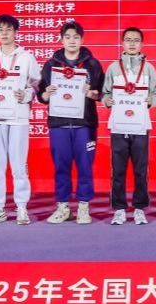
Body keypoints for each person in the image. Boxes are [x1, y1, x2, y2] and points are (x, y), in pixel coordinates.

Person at [0, 14, 42, 225]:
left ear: (16, 32)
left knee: (19, 165)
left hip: (18, 117)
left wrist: (27, 94)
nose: (4, 34)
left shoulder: (26, 58)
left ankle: (21, 207)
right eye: (0, 30)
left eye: (8, 29)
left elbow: (37, 85)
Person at [38, 21, 105, 225]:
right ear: (62, 40)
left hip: (85, 124)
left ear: (82, 39)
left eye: (76, 37)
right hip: (59, 123)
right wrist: (46, 94)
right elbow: (42, 95)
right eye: (67, 37)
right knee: (61, 167)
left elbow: (102, 93)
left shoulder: (92, 64)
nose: (72, 41)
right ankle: (63, 207)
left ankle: (84, 206)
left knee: (85, 167)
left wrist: (92, 94)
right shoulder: (51, 65)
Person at [102, 27, 156, 225]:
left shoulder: (149, 68)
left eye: (136, 40)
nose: (132, 43)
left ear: (142, 44)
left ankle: (139, 208)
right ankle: (119, 209)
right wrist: (107, 101)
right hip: (119, 125)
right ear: (122, 43)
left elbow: (155, 92)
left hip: (140, 125)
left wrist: (152, 100)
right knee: (118, 170)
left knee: (140, 170)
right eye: (128, 40)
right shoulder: (113, 68)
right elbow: (105, 92)